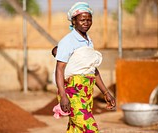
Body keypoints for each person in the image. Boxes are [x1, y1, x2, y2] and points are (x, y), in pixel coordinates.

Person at [54, 2, 116, 132]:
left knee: (75, 129)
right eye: (82, 20)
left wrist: (106, 92)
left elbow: (92, 69)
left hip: (87, 91)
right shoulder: (68, 41)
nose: (86, 22)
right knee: (89, 127)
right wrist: (63, 96)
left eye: (89, 19)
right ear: (74, 21)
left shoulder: (88, 41)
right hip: (73, 92)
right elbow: (59, 69)